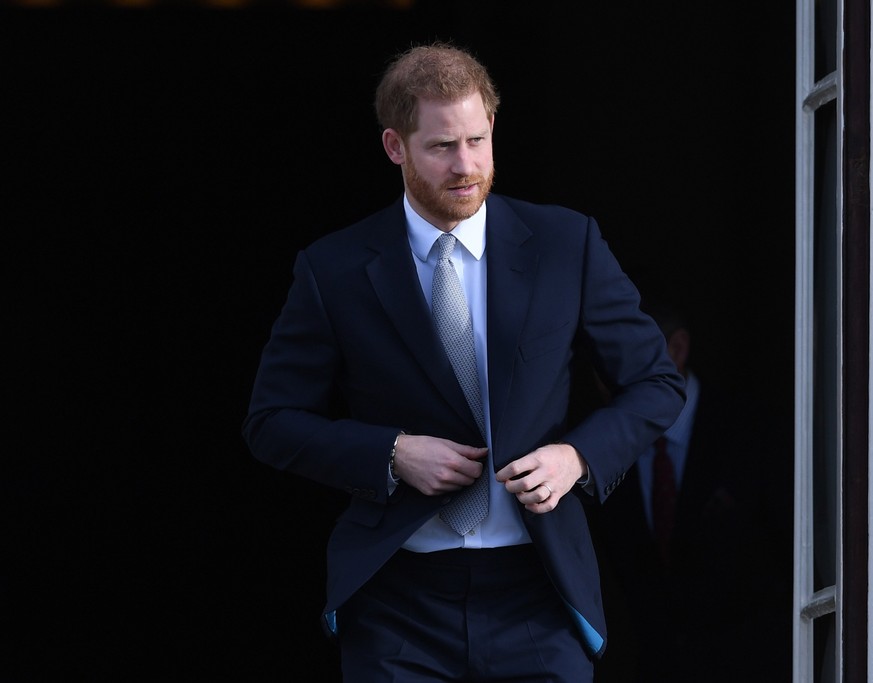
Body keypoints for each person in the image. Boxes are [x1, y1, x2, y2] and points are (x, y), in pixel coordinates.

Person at [242, 41, 685, 683]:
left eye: (478, 140)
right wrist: (391, 454)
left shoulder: (566, 243)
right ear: (395, 147)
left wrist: (576, 459)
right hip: (399, 600)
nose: (466, 165)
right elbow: (271, 421)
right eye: (442, 146)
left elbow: (655, 382)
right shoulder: (332, 269)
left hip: (539, 590)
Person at [590, 300, 794, 683]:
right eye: (595, 360)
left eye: (617, 355)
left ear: (676, 350)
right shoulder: (593, 445)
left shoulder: (758, 434)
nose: (603, 378)